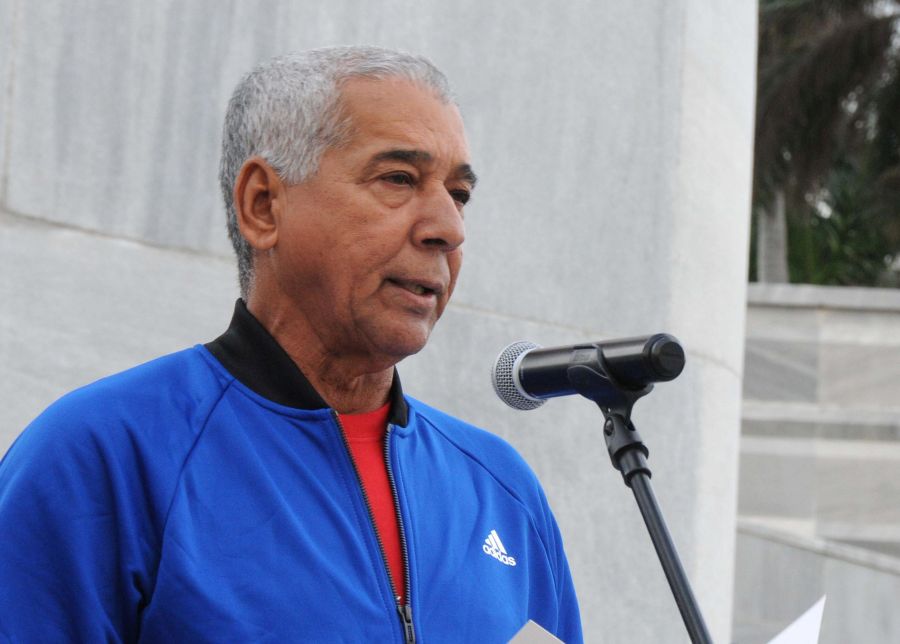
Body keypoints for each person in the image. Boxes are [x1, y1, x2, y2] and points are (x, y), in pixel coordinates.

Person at [0, 46, 582, 643]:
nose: (448, 227)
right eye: (399, 179)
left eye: (458, 194)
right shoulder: (100, 457)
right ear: (263, 205)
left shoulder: (501, 491)